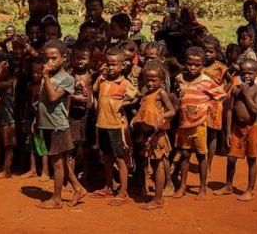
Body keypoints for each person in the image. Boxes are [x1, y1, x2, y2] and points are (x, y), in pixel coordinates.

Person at [36, 40, 87, 209]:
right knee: (60, 161)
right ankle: (78, 188)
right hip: (47, 123)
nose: (49, 62)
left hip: (57, 125)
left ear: (64, 58)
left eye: (53, 58)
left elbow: (52, 98)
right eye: (47, 58)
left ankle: (57, 199)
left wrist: (45, 77)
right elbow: (42, 100)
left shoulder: (67, 79)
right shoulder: (50, 76)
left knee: (57, 164)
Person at [172, 46, 227, 200]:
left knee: (201, 156)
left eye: (197, 65)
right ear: (185, 63)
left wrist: (207, 107)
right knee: (184, 154)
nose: (193, 67)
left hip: (200, 125)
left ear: (203, 65)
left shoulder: (206, 81)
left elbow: (221, 95)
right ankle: (183, 186)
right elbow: (178, 93)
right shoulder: (179, 79)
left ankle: (202, 187)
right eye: (190, 64)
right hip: (184, 124)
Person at [91, 47, 139, 206]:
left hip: (116, 126)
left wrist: (124, 103)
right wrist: (100, 75)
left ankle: (123, 192)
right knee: (107, 157)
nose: (110, 68)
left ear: (123, 65)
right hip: (102, 124)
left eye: (114, 65)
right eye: (108, 64)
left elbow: (137, 96)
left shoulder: (125, 83)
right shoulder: (102, 80)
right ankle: (109, 187)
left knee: (120, 158)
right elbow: (95, 91)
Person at [218, 57, 257, 201]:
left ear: (256, 73)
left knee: (251, 159)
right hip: (236, 128)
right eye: (243, 73)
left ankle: (250, 190)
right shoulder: (235, 90)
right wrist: (228, 131)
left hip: (252, 127)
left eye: (250, 73)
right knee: (231, 158)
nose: (246, 76)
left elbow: (255, 109)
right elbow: (231, 110)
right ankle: (228, 185)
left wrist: (245, 93)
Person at [131, 61, 175, 210]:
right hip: (148, 136)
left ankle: (158, 199)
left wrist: (162, 117)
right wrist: (135, 119)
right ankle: (157, 197)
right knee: (153, 165)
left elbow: (172, 111)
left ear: (161, 81)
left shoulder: (160, 93)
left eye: (153, 80)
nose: (150, 83)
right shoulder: (146, 94)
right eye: (147, 80)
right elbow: (144, 112)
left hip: (157, 136)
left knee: (158, 166)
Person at [67, 43, 94, 179]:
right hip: (73, 114)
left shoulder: (92, 74)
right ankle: (70, 179)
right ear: (72, 59)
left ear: (90, 59)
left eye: (84, 58)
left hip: (87, 115)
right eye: (77, 58)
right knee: (71, 148)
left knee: (86, 148)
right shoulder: (69, 74)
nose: (80, 61)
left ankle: (86, 177)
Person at [21, 56, 48, 179]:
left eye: (39, 72)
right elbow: (27, 102)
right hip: (30, 118)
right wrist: (25, 118)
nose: (36, 75)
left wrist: (37, 119)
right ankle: (32, 169)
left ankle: (45, 171)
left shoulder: (45, 87)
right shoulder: (29, 85)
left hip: (42, 120)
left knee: (43, 145)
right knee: (31, 145)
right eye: (34, 72)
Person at [202, 35, 228, 159]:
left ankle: (209, 163)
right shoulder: (198, 65)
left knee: (212, 132)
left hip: (214, 104)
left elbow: (230, 81)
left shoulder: (220, 67)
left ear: (216, 53)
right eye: (205, 51)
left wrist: (221, 94)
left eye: (210, 52)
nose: (207, 54)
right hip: (200, 102)